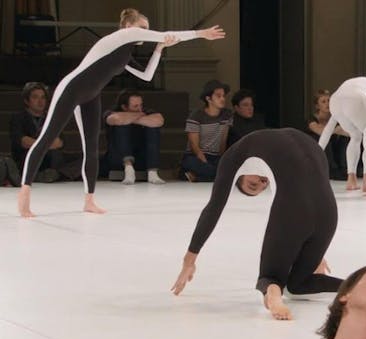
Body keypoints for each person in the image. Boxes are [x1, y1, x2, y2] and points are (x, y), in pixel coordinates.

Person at [17, 7, 225, 217]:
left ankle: (89, 200)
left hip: (91, 95)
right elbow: (164, 33)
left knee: (91, 147)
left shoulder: (124, 54)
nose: (145, 32)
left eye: (147, 29)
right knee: (46, 138)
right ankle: (24, 194)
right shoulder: (122, 36)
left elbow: (146, 76)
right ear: (128, 26)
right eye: (142, 28)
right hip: (71, 89)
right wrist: (200, 34)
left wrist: (160, 48)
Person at [171, 128, 343, 320]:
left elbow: (214, 208)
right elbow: (311, 188)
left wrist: (189, 259)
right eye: (261, 186)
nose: (261, 182)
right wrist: (314, 251)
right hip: (329, 214)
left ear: (240, 176)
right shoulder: (298, 138)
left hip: (301, 212)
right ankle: (356, 286)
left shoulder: (234, 155)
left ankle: (272, 295)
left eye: (253, 185)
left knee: (270, 277)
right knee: (298, 285)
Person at [103, 89, 166, 184]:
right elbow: (116, 119)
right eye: (135, 106)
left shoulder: (146, 111)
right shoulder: (112, 112)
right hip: (119, 159)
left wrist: (131, 118)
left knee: (153, 127)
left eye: (141, 105)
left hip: (143, 158)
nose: (140, 109)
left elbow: (159, 121)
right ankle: (128, 169)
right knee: (122, 125)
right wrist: (140, 117)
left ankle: (152, 172)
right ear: (124, 107)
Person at [10, 82, 65, 183]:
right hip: (27, 157)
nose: (40, 101)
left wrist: (37, 144)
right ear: (27, 101)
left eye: (43, 97)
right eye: (35, 97)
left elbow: (59, 142)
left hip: (49, 157)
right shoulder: (18, 118)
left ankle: (52, 174)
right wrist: (47, 144)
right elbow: (24, 142)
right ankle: (50, 175)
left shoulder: (51, 118)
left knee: (69, 158)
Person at [181, 80, 233, 182]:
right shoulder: (196, 115)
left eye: (223, 96)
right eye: (218, 96)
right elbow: (194, 146)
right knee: (212, 170)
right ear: (208, 98)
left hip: (215, 156)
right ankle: (208, 174)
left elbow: (223, 141)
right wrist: (205, 162)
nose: (222, 99)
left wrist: (222, 160)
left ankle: (196, 177)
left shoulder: (227, 115)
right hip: (196, 156)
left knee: (228, 168)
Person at [307, 89, 349, 180]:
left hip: (334, 150)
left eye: (329, 101)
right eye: (323, 101)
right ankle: (331, 169)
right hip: (316, 151)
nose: (327, 103)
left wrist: (341, 130)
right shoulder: (312, 119)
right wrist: (336, 129)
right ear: (317, 106)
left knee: (345, 138)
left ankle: (344, 167)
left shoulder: (335, 117)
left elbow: (348, 132)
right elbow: (320, 131)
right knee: (324, 137)